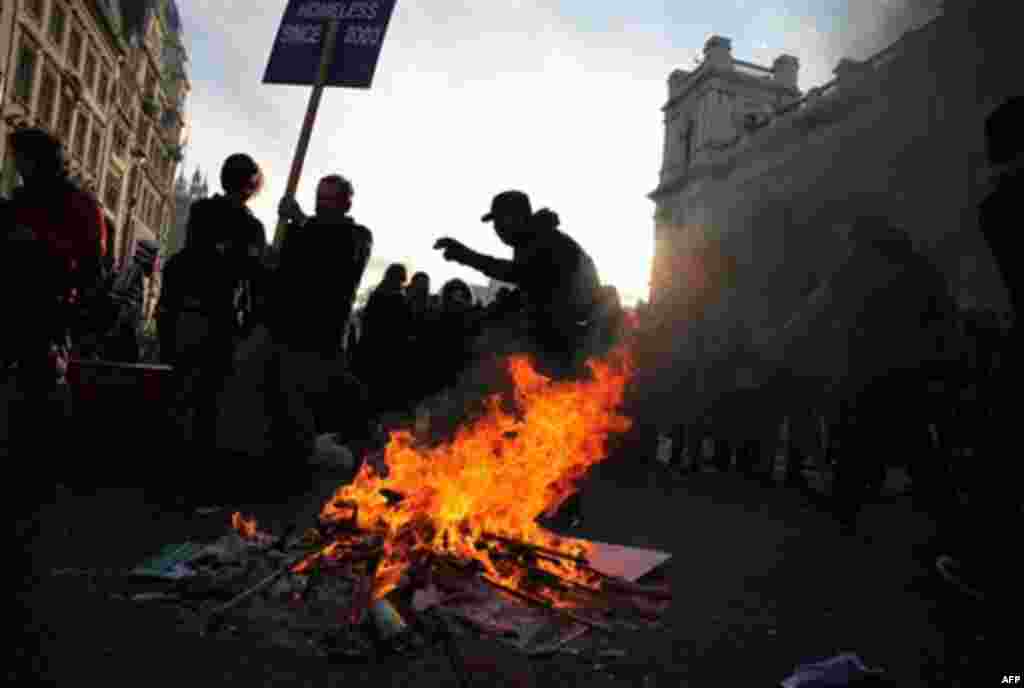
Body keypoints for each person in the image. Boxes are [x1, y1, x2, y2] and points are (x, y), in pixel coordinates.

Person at [770, 214, 959, 536]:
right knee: (913, 445)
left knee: (859, 444)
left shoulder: (855, 267)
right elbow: (944, 316)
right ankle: (946, 517)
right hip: (909, 372)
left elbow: (817, 309)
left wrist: (781, 336)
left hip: (864, 372)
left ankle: (846, 511)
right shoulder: (919, 268)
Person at [157, 153, 267, 510]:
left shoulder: (202, 212)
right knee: (206, 404)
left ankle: (172, 482)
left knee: (184, 396)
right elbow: (253, 277)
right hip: (217, 323)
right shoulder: (250, 226)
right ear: (252, 185)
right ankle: (193, 487)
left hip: (190, 318)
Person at [3, 127, 107, 463]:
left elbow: (92, 266)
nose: (17, 165)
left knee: (39, 394)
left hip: (49, 312)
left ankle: (33, 466)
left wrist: (38, 247)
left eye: (21, 158)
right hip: (18, 309)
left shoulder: (77, 204)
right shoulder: (19, 202)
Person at [270, 175, 380, 482]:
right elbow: (284, 271)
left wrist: (301, 221)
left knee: (316, 409)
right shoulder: (301, 230)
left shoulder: (356, 236)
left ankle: (320, 472)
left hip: (324, 339)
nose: (322, 204)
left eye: (330, 198)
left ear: (346, 203)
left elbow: (336, 259)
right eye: (319, 197)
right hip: (289, 334)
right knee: (286, 408)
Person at [434, 192, 601, 380]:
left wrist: (467, 256)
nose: (496, 230)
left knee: (503, 337)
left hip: (574, 328)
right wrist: (488, 313)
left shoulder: (544, 240)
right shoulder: (531, 242)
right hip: (565, 325)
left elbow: (520, 274)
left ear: (515, 218)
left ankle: (575, 376)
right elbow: (528, 286)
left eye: (499, 222)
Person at [356, 263, 414, 417]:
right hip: (388, 351)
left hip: (372, 348)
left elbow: (368, 322)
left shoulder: (377, 295)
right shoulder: (398, 298)